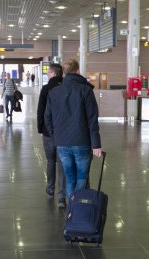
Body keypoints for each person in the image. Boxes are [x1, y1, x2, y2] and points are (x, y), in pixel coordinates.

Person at [45, 59, 102, 202]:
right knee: (82, 177)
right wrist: (96, 144)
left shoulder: (54, 92)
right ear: (77, 71)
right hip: (82, 142)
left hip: (62, 143)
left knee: (69, 177)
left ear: (64, 72)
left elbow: (48, 118)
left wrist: (56, 136)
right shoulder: (85, 90)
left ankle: (71, 209)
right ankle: (78, 210)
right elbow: (92, 119)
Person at [37, 64, 66, 208]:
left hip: (48, 132)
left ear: (53, 74)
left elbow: (41, 110)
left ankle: (50, 189)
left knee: (50, 161)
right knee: (61, 164)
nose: (48, 75)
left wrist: (40, 128)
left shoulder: (46, 89)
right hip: (63, 132)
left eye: (48, 72)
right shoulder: (66, 88)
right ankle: (61, 196)